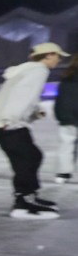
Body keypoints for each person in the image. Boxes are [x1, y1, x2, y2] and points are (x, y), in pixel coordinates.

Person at [0, 42, 67, 219]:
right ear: (49, 55)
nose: (59, 60)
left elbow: (23, 95)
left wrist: (35, 111)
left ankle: (28, 197)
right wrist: (11, 119)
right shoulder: (38, 70)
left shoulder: (28, 69)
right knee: (28, 158)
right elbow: (21, 95)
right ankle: (23, 203)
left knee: (28, 158)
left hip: (1, 122)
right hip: (8, 123)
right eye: (58, 56)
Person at [55, 55, 78, 185]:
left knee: (66, 145)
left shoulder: (65, 79)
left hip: (67, 116)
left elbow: (60, 100)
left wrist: (60, 115)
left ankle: (63, 173)